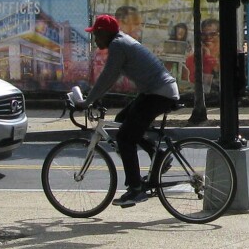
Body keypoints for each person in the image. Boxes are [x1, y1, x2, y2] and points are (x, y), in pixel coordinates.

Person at [76, 14, 181, 207]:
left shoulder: (118, 45)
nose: (95, 39)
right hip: (157, 91)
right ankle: (158, 154)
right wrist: (95, 97)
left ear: (105, 33)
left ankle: (136, 189)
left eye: (96, 35)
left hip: (159, 94)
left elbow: (108, 76)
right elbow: (110, 78)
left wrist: (88, 101)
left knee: (125, 138)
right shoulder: (120, 42)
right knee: (122, 119)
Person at [185, 18, 221, 91]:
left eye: (213, 34)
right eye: (204, 34)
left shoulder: (230, 56)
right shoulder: (192, 59)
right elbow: (197, 86)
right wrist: (208, 59)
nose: (208, 37)